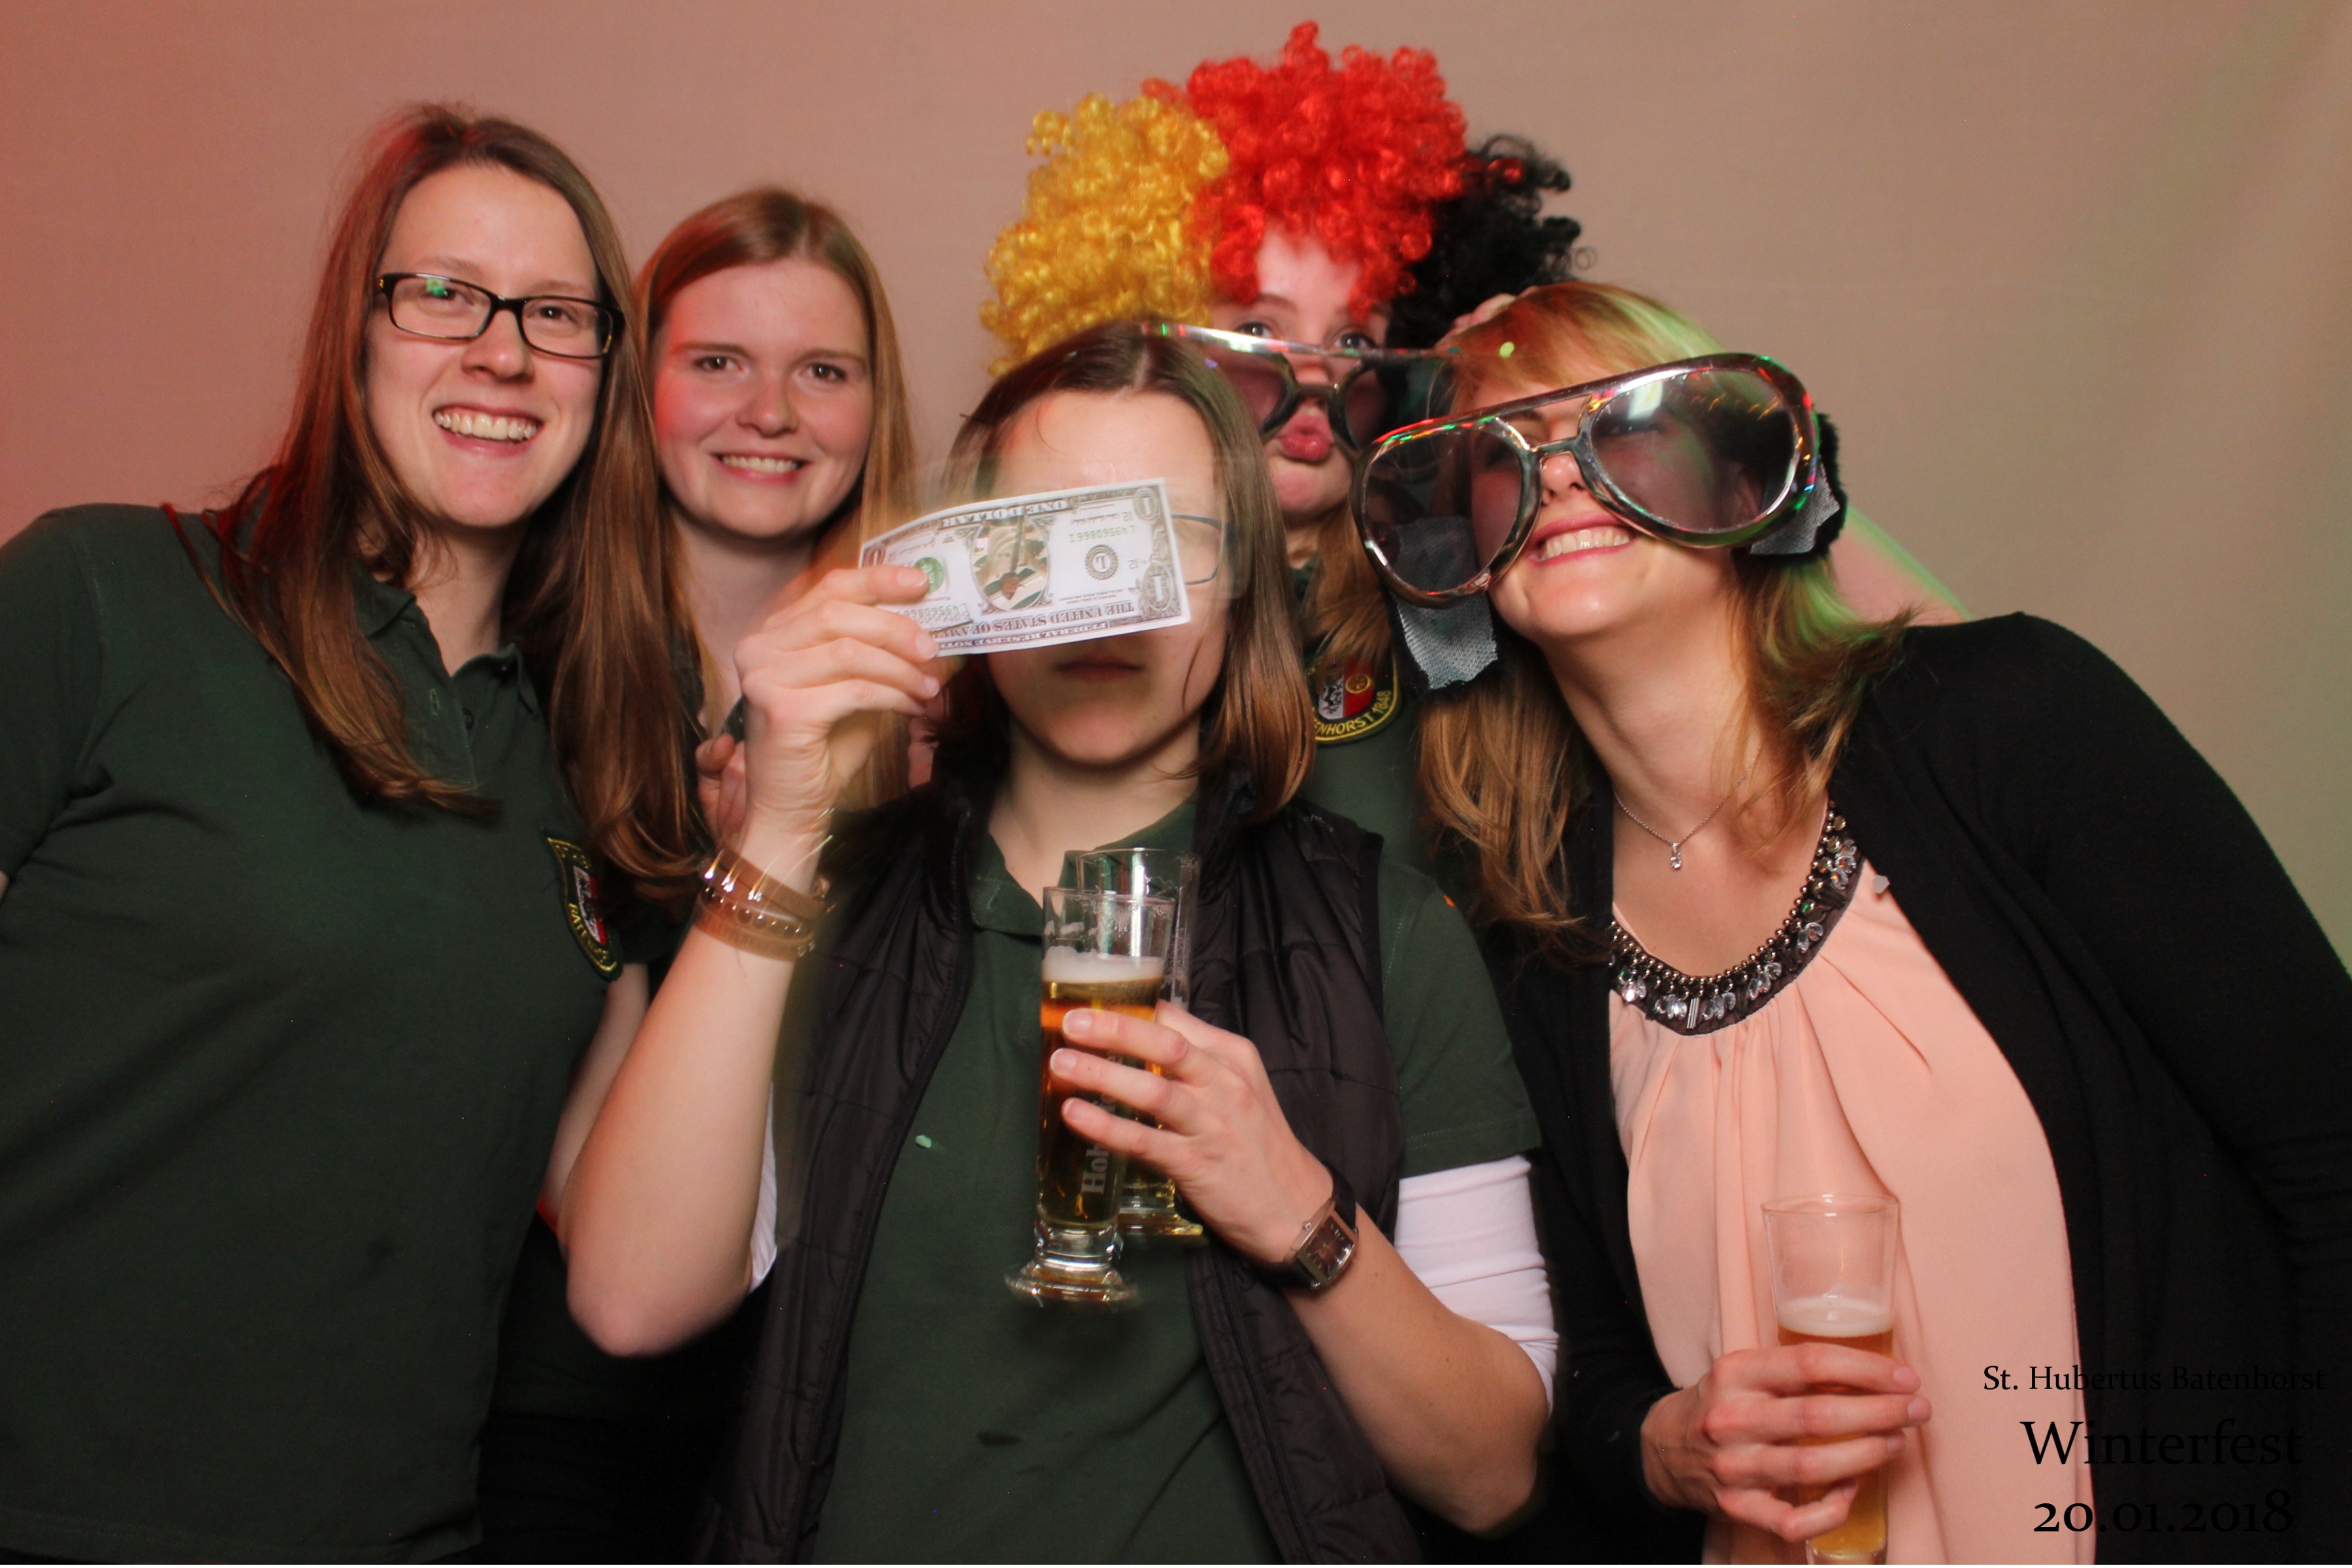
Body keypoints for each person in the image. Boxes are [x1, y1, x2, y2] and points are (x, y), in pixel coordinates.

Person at [1369, 280, 2352, 1561]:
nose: (1559, 476)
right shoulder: (1531, 935)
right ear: (1459, 554)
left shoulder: (2012, 723)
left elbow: (2332, 1167)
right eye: (1504, 456)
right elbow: (1588, 1368)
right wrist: (1660, 1446)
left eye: (1623, 428)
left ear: (1744, 481)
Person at [556, 321, 1556, 1560]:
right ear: (965, 573)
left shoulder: (1383, 933)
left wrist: (1296, 1208)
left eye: (1163, 538)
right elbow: (629, 1302)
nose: (1101, 591)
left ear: (1243, 582)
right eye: (1045, 536)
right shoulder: (832, 905)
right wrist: (780, 827)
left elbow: (1492, 1476)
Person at [0, 106, 699, 1560]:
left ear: (605, 373)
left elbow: (632, 1255)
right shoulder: (106, 597)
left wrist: (793, 840)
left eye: (556, 314)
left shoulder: (599, 744)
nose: (501, 351)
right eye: (443, 292)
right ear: (357, 329)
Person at [980, 22, 1958, 875]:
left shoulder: (1461, 573)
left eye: (1357, 336)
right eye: (1259, 329)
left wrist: (1677, 430)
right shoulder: (1091, 594)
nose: (1317, 375)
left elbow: (1899, 656)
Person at [478, 186, 916, 1561]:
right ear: (638, 387)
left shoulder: (947, 702)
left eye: (823, 372)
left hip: (846, 1407)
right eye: (720, 360)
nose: (770, 412)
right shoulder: (516, 671)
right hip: (553, 1412)